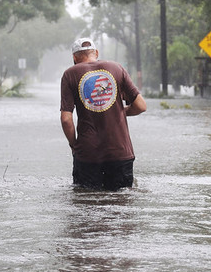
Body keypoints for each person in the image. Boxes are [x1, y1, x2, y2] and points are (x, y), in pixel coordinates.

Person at [60, 38, 147, 190]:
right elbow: (141, 106)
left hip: (87, 154)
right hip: (120, 152)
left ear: (74, 57)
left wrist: (74, 145)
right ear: (96, 53)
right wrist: (119, 112)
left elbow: (66, 119)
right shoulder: (116, 68)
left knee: (86, 205)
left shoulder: (70, 75)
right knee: (121, 205)